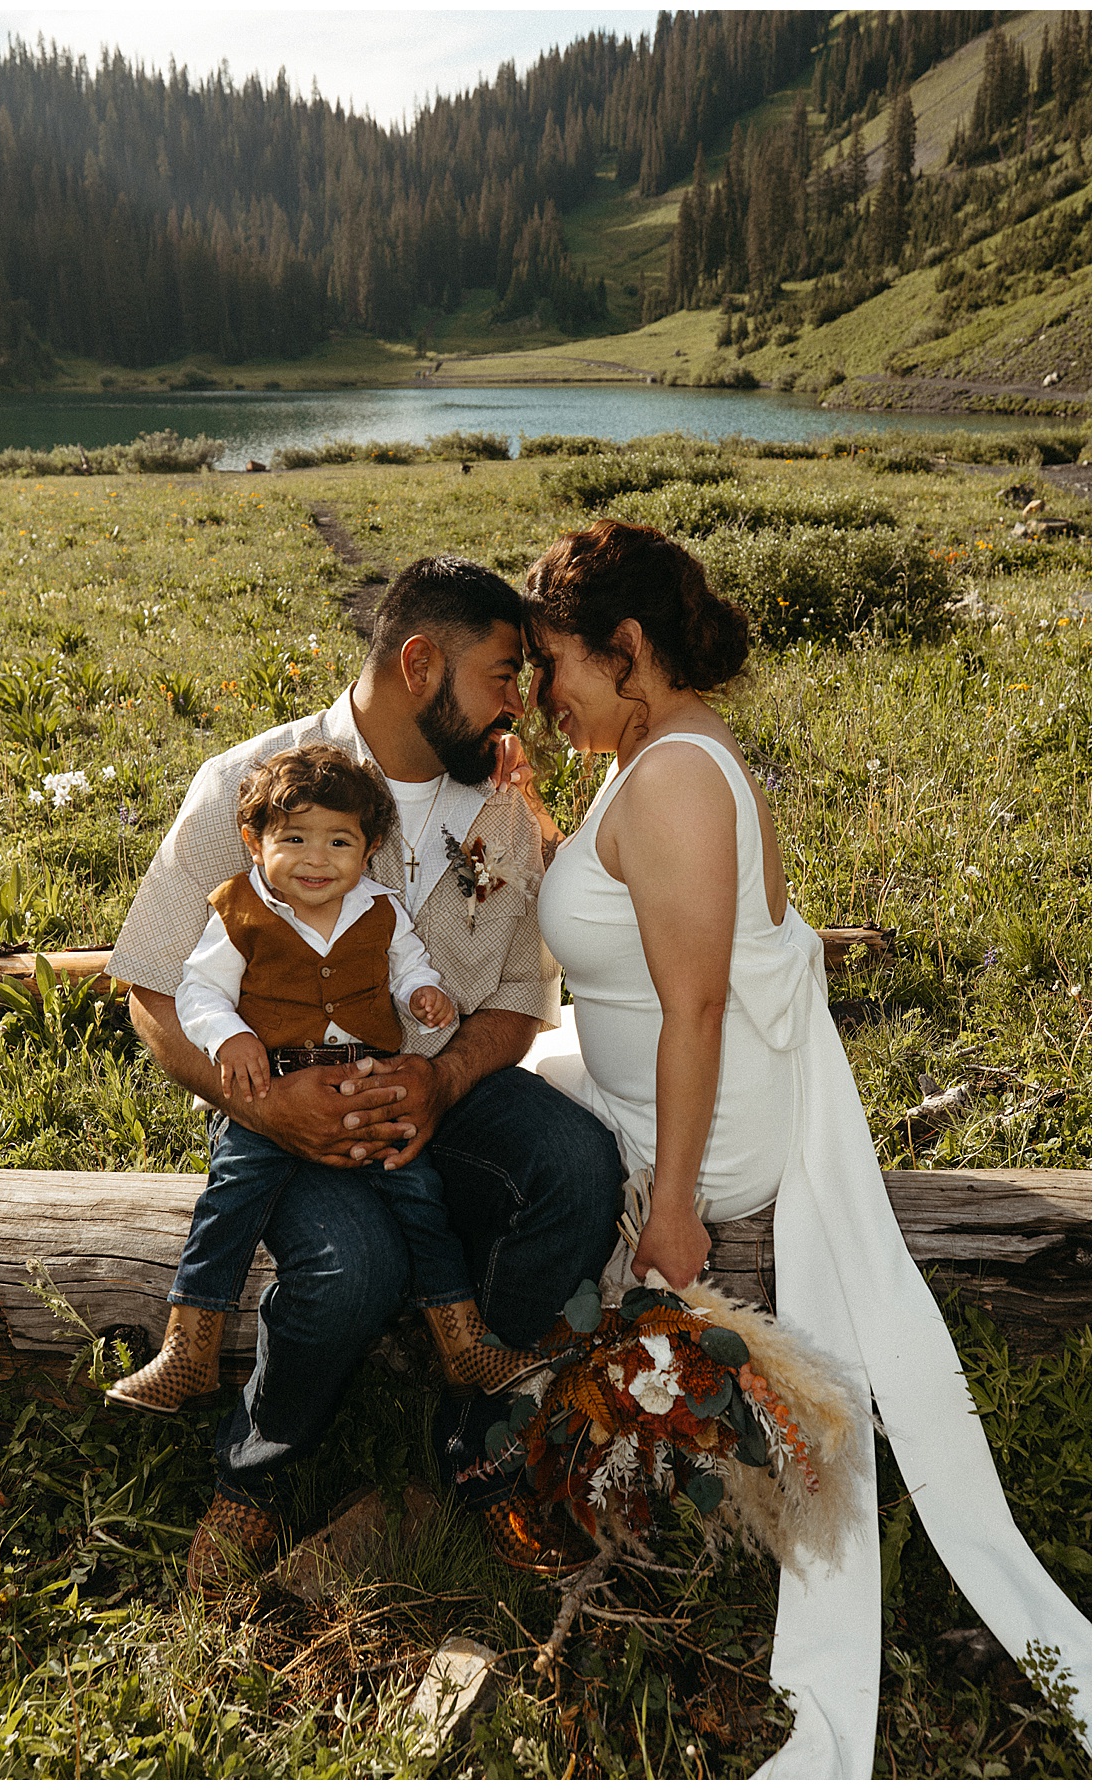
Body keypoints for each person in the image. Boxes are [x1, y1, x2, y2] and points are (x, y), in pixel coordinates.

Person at [512, 518, 1091, 1778]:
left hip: (699, 1130)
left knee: (487, 1126)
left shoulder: (669, 776)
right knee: (503, 1076)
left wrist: (672, 1211)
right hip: (677, 1084)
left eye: (555, 664)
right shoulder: (659, 745)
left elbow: (698, 1005)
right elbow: (642, 917)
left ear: (625, 649)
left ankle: (511, 1393)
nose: (542, 692)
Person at [105, 555, 624, 1593]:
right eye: (501, 674)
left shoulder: (505, 813)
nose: (517, 702)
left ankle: (474, 1426)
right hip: (287, 1093)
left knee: (577, 1168)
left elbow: (522, 998)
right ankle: (255, 1473)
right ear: (420, 661)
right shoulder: (251, 787)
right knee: (353, 1266)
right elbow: (152, 988)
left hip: (442, 1088)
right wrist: (267, 1104)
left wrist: (441, 1083)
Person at [106, 743, 541, 1418]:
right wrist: (234, 1037)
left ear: (368, 851)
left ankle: (462, 1341)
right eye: (294, 838)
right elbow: (197, 993)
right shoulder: (239, 910)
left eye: (339, 841)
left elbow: (408, 966)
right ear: (255, 842)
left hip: (366, 1084)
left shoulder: (380, 908)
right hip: (272, 1090)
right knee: (230, 1200)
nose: (316, 859)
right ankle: (190, 1347)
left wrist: (424, 993)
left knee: (421, 1199)